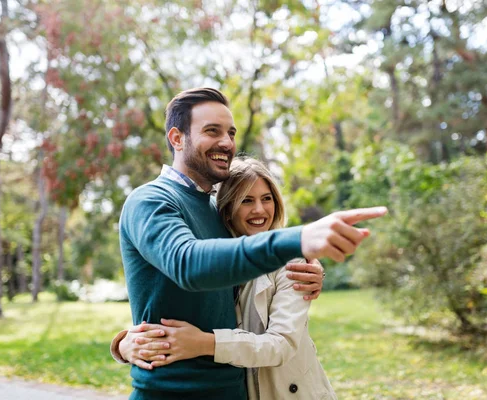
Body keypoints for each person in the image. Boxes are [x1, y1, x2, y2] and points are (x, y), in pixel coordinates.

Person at [116, 87, 387, 399]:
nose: (226, 143)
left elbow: (220, 291)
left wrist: (309, 269)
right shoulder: (150, 201)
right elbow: (188, 264)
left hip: (235, 391)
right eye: (212, 131)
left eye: (231, 132)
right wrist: (299, 239)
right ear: (177, 138)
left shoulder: (215, 211)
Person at [115, 156, 338, 399]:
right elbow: (185, 302)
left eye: (267, 199)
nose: (260, 210)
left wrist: (203, 343)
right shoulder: (215, 257)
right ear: (228, 208)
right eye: (246, 200)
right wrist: (124, 344)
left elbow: (280, 345)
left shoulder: (292, 264)